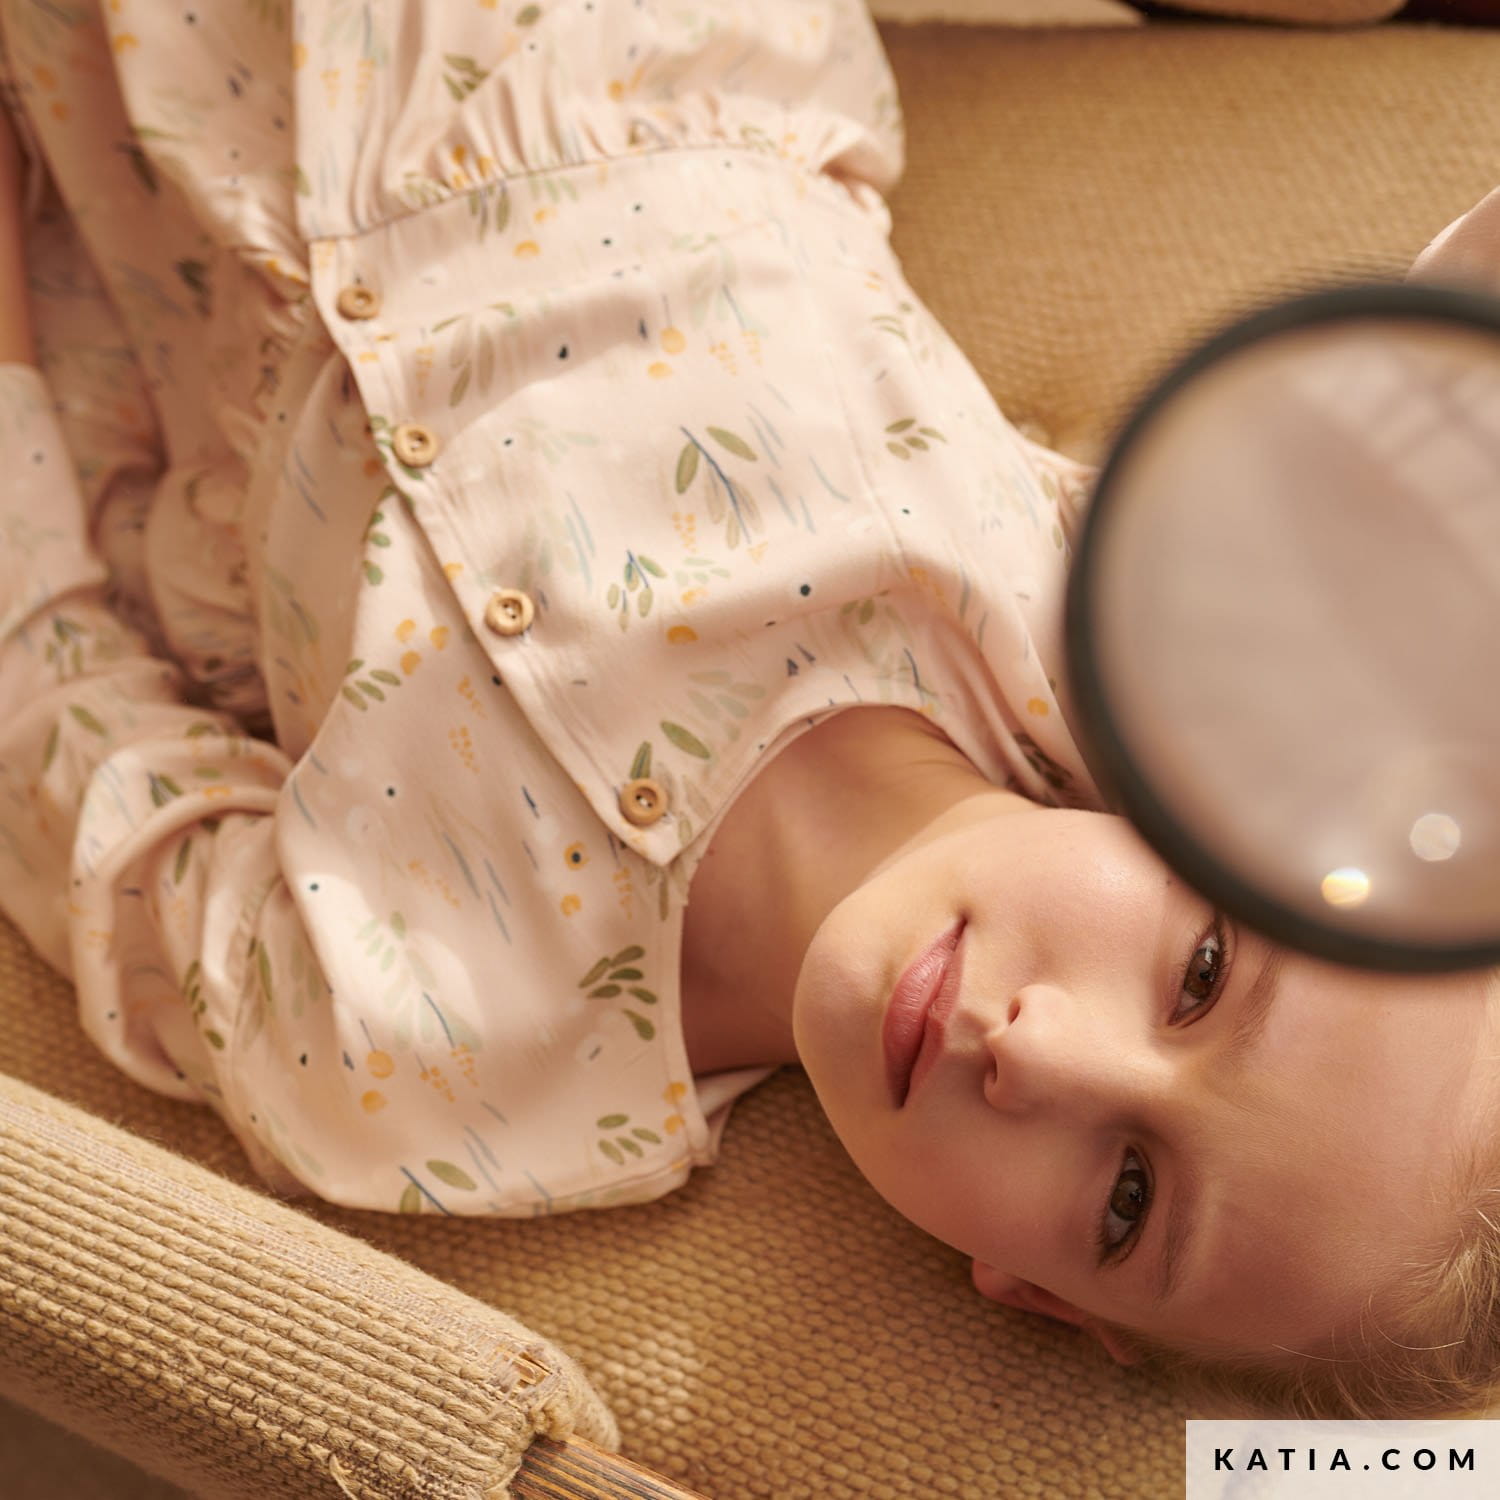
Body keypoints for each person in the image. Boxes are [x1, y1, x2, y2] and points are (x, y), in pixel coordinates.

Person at [2, 0, 1499, 1422]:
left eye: (1127, 1200)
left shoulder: (434, 1063)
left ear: (1038, 1296)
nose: (1038, 1054)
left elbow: (51, 707)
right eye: (1203, 972)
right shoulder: (1088, 613)